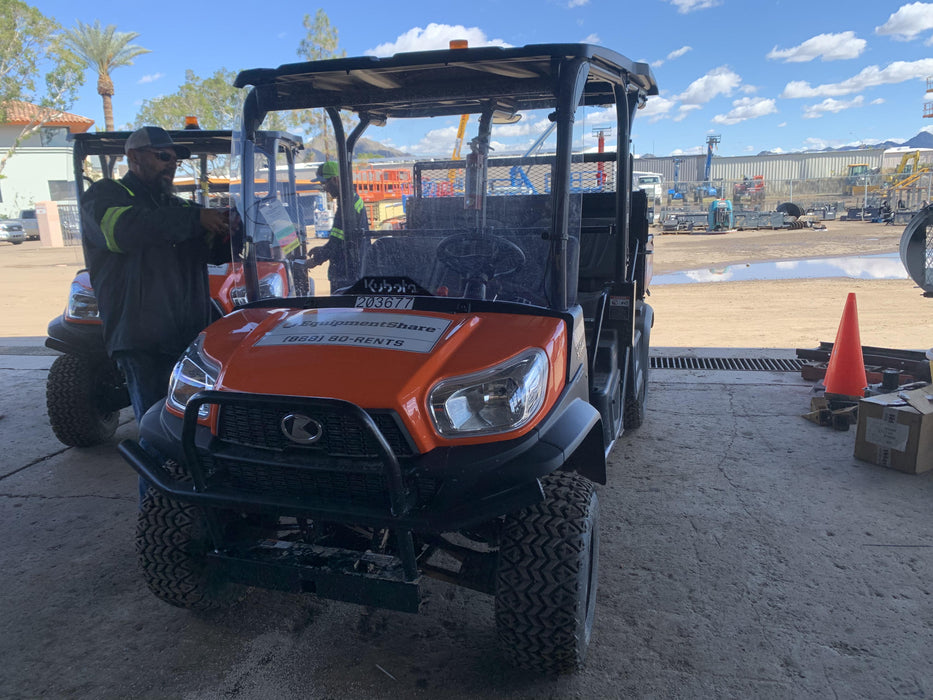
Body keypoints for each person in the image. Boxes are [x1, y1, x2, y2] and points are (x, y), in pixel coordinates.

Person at [81, 126, 239, 500]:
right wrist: (195, 220)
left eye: (176, 158)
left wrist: (227, 228)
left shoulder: (175, 206)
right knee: (157, 434)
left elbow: (211, 253)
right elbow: (124, 231)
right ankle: (157, 518)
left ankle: (199, 512)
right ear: (134, 157)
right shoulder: (105, 196)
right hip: (142, 337)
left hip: (188, 336)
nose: (172, 164)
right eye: (163, 156)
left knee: (198, 432)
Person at [305, 160, 369, 291]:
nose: (324, 188)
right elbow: (338, 239)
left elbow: (338, 242)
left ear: (335, 179)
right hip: (353, 269)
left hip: (347, 273)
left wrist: (317, 259)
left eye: (325, 183)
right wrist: (322, 249)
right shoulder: (350, 200)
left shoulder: (347, 205)